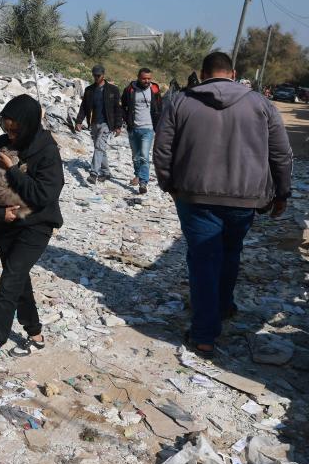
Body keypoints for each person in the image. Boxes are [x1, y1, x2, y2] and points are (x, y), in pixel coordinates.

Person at [153, 51, 292, 358]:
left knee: (203, 260)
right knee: (230, 253)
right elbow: (281, 154)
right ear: (233, 73)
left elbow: (162, 149)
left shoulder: (180, 102)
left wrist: (169, 185)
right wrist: (282, 194)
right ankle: (223, 308)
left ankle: (204, 334)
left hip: (195, 196)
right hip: (245, 197)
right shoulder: (261, 104)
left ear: (202, 74)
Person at [0, 95, 64, 377]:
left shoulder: (46, 151)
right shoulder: (0, 144)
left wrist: (12, 169)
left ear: (30, 126)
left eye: (15, 130)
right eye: (7, 128)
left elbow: (44, 194)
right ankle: (35, 335)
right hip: (6, 226)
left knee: (9, 282)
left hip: (36, 226)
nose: (9, 135)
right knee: (18, 279)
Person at [74, 65, 123, 184]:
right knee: (101, 148)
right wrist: (79, 121)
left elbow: (118, 109)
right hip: (94, 123)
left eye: (98, 75)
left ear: (103, 75)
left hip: (107, 124)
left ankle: (93, 173)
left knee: (98, 147)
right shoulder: (89, 90)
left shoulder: (113, 90)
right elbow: (84, 107)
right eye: (94, 75)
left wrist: (118, 126)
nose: (96, 77)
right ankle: (106, 173)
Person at [121, 68, 162, 194]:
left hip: (148, 128)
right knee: (135, 157)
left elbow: (159, 108)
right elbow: (123, 106)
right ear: (138, 77)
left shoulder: (154, 89)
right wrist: (126, 121)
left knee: (144, 156)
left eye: (149, 78)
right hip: (133, 128)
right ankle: (138, 174)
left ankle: (143, 182)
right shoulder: (130, 89)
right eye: (144, 78)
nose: (147, 81)